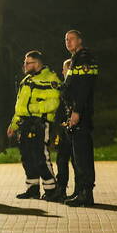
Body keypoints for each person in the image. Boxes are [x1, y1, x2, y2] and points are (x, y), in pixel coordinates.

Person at [7, 51, 61, 200]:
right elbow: (20, 107)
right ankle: (32, 189)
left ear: (36, 63)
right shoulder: (26, 81)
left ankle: (52, 190)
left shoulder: (50, 78)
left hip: (41, 123)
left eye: (27, 63)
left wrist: (33, 109)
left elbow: (54, 103)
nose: (24, 65)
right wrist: (14, 125)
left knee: (40, 156)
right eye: (24, 63)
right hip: (25, 124)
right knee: (27, 157)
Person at [62, 30, 98, 207]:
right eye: (66, 39)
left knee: (82, 155)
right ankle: (80, 190)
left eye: (72, 39)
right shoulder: (76, 58)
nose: (68, 42)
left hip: (80, 113)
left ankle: (86, 193)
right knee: (77, 155)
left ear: (80, 40)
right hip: (76, 112)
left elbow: (83, 88)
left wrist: (76, 111)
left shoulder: (84, 58)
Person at [45, 58, 73, 202]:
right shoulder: (63, 86)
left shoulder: (71, 86)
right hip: (63, 128)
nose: (62, 71)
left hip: (70, 128)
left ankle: (77, 190)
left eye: (65, 68)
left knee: (71, 160)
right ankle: (61, 188)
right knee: (62, 159)